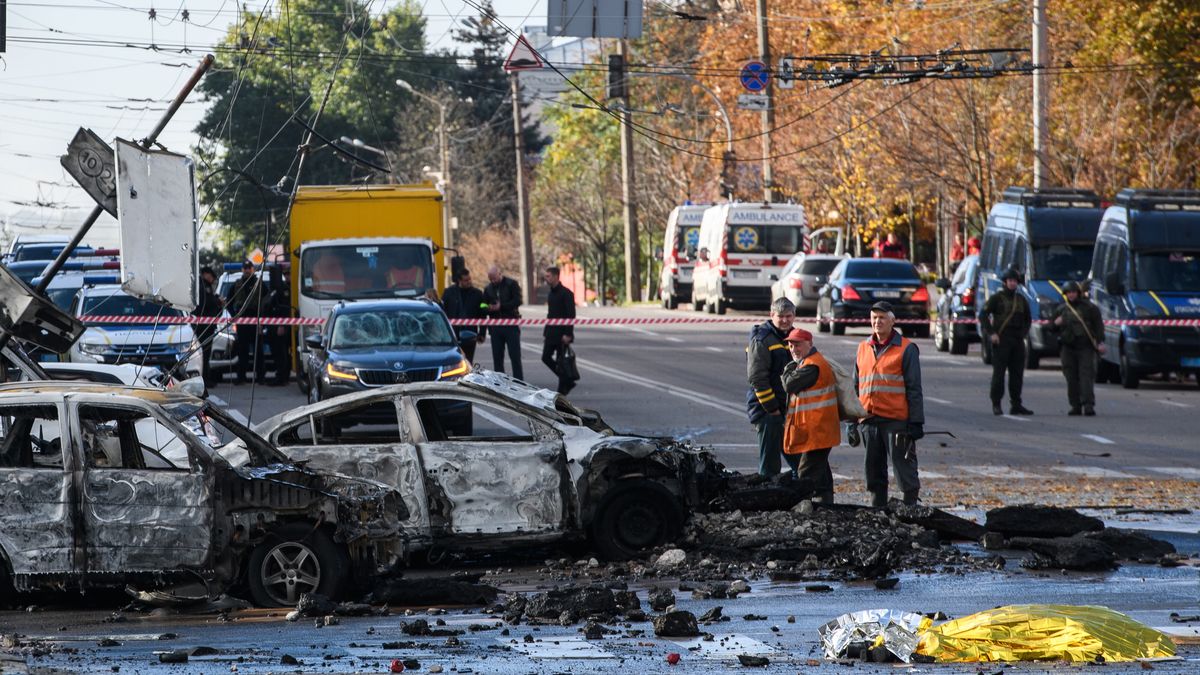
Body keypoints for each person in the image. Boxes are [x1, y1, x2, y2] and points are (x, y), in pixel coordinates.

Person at [854, 301, 924, 507]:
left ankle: (910, 510)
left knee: (904, 470)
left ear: (892, 321)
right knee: (874, 473)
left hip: (896, 421)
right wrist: (852, 421)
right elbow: (855, 386)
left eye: (882, 318)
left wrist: (916, 421)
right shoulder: (863, 348)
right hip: (869, 419)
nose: (877, 322)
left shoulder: (907, 349)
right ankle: (879, 512)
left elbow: (914, 388)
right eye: (874, 318)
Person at [781, 327, 840, 503]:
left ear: (810, 344)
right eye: (791, 345)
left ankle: (804, 512)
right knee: (821, 475)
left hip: (818, 431)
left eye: (798, 345)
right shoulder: (809, 363)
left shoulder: (812, 365)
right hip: (817, 430)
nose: (793, 349)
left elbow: (789, 385)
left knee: (805, 475)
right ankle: (826, 507)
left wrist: (788, 368)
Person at [746, 297, 797, 477]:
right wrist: (773, 410)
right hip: (768, 411)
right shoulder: (762, 339)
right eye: (780, 316)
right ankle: (766, 501)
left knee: (800, 463)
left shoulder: (794, 337)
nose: (784, 320)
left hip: (788, 410)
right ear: (771, 315)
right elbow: (757, 378)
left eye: (788, 316)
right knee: (770, 467)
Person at [978, 267, 1034, 416]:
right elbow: (983, 315)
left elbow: (1028, 319)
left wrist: (1023, 333)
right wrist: (992, 333)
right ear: (1004, 282)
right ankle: (996, 403)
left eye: (1015, 281)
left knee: (1017, 374)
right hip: (1002, 340)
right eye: (1010, 281)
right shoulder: (997, 298)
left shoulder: (1021, 300)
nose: (1012, 283)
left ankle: (1016, 404)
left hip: (1017, 340)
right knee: (999, 374)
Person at [1050, 281, 1106, 416]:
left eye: (1073, 292)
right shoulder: (1061, 309)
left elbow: (1098, 326)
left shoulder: (1090, 308)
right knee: (1071, 377)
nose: (1071, 295)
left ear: (1078, 293)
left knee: (1086, 376)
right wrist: (1055, 324)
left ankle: (1088, 404)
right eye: (1069, 292)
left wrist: (1100, 342)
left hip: (1085, 347)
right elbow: (1051, 327)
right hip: (1068, 348)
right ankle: (1075, 405)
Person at [539, 266, 578, 395]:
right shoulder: (551, 293)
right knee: (545, 357)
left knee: (562, 362)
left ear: (556, 276)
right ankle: (567, 380)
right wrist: (546, 331)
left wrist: (568, 334)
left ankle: (562, 391)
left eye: (548, 276)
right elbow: (550, 314)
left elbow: (570, 315)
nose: (546, 278)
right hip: (551, 333)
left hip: (562, 334)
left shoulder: (566, 294)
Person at [226, 261, 265, 385]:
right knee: (242, 351)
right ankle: (241, 377)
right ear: (242, 269)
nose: (247, 270)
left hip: (256, 320)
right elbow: (229, 302)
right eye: (245, 268)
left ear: (253, 269)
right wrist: (235, 316)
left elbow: (267, 301)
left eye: (249, 268)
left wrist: (263, 318)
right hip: (242, 321)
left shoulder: (259, 284)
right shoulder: (237, 284)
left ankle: (261, 377)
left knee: (258, 351)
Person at [484, 265, 523, 380]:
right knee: (497, 358)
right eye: (490, 279)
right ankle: (500, 383)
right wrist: (488, 307)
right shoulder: (488, 288)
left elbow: (518, 301)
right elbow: (482, 304)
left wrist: (502, 307)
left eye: (494, 278)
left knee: (515, 356)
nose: (493, 281)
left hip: (511, 324)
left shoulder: (512, 284)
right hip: (495, 326)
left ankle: (519, 382)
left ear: (500, 274)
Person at [442, 268, 487, 363]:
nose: (469, 282)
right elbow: (443, 312)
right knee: (454, 361)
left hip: (470, 333)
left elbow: (482, 314)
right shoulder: (449, 293)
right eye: (466, 280)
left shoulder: (477, 294)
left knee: (468, 361)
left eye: (470, 279)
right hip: (452, 333)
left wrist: (482, 333)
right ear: (459, 281)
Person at [193, 266, 223, 387]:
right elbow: (207, 303)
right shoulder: (202, 287)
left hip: (207, 325)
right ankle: (204, 379)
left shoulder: (204, 286)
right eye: (211, 277)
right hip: (203, 326)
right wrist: (217, 301)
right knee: (204, 353)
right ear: (206, 275)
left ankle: (206, 378)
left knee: (205, 353)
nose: (212, 279)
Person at [265, 267, 292, 386]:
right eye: (285, 274)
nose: (287, 277)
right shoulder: (276, 288)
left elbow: (285, 309)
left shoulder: (286, 289)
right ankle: (280, 375)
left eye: (289, 274)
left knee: (282, 352)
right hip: (272, 325)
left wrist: (282, 325)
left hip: (282, 325)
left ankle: (282, 376)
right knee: (277, 351)